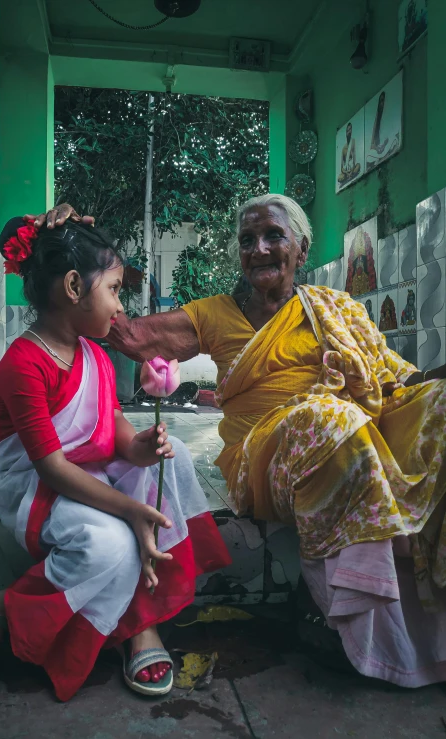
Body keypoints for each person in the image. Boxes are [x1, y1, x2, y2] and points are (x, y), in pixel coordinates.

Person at [49, 192, 446, 689]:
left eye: (273, 236)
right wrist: (73, 247)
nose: (259, 248)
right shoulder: (215, 313)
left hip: (350, 440)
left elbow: (395, 379)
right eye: (247, 240)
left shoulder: (335, 308)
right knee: (328, 417)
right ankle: (339, 605)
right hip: (265, 457)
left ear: (301, 250)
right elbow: (126, 334)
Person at [0, 214, 230, 701]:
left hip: (91, 475)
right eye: (115, 290)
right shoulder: (22, 364)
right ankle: (4, 609)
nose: (120, 306)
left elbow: (117, 436)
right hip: (42, 491)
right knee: (111, 545)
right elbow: (51, 467)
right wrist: (133, 509)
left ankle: (141, 617)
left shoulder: (96, 356)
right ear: (74, 286)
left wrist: (143, 448)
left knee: (173, 455)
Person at [337, 121, 361, 187]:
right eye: (347, 130)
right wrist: (346, 172)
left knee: (358, 165)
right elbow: (341, 167)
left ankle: (350, 176)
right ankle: (349, 177)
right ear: (346, 132)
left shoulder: (353, 142)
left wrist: (351, 170)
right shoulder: (343, 148)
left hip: (351, 169)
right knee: (339, 177)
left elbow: (354, 160)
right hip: (345, 172)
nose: (349, 132)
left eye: (350, 130)